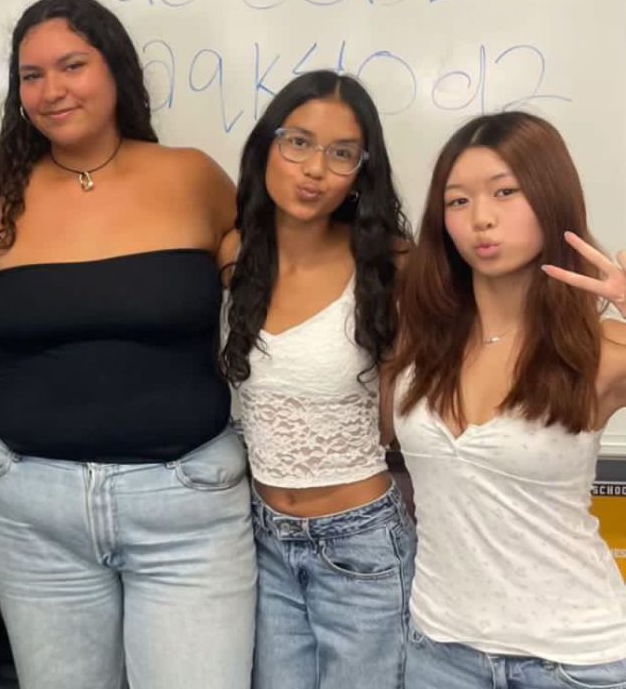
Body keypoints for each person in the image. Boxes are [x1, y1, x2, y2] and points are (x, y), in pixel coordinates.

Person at [0, 0, 254, 689]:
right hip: (33, 511)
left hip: (186, 507)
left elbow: (284, 278)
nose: (52, 90)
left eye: (72, 65)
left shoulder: (192, 176)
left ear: (115, 69)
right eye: (31, 75)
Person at [388, 111, 626, 689]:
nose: (482, 219)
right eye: (458, 201)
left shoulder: (601, 351)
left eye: (505, 192)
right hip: (439, 652)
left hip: (575, 661)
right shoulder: (422, 341)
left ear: (550, 197)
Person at [220, 70, 416, 688]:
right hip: (262, 539)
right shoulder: (233, 255)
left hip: (361, 544)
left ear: (362, 170)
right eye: (297, 142)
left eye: (341, 154)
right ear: (266, 147)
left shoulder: (390, 264)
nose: (314, 170)